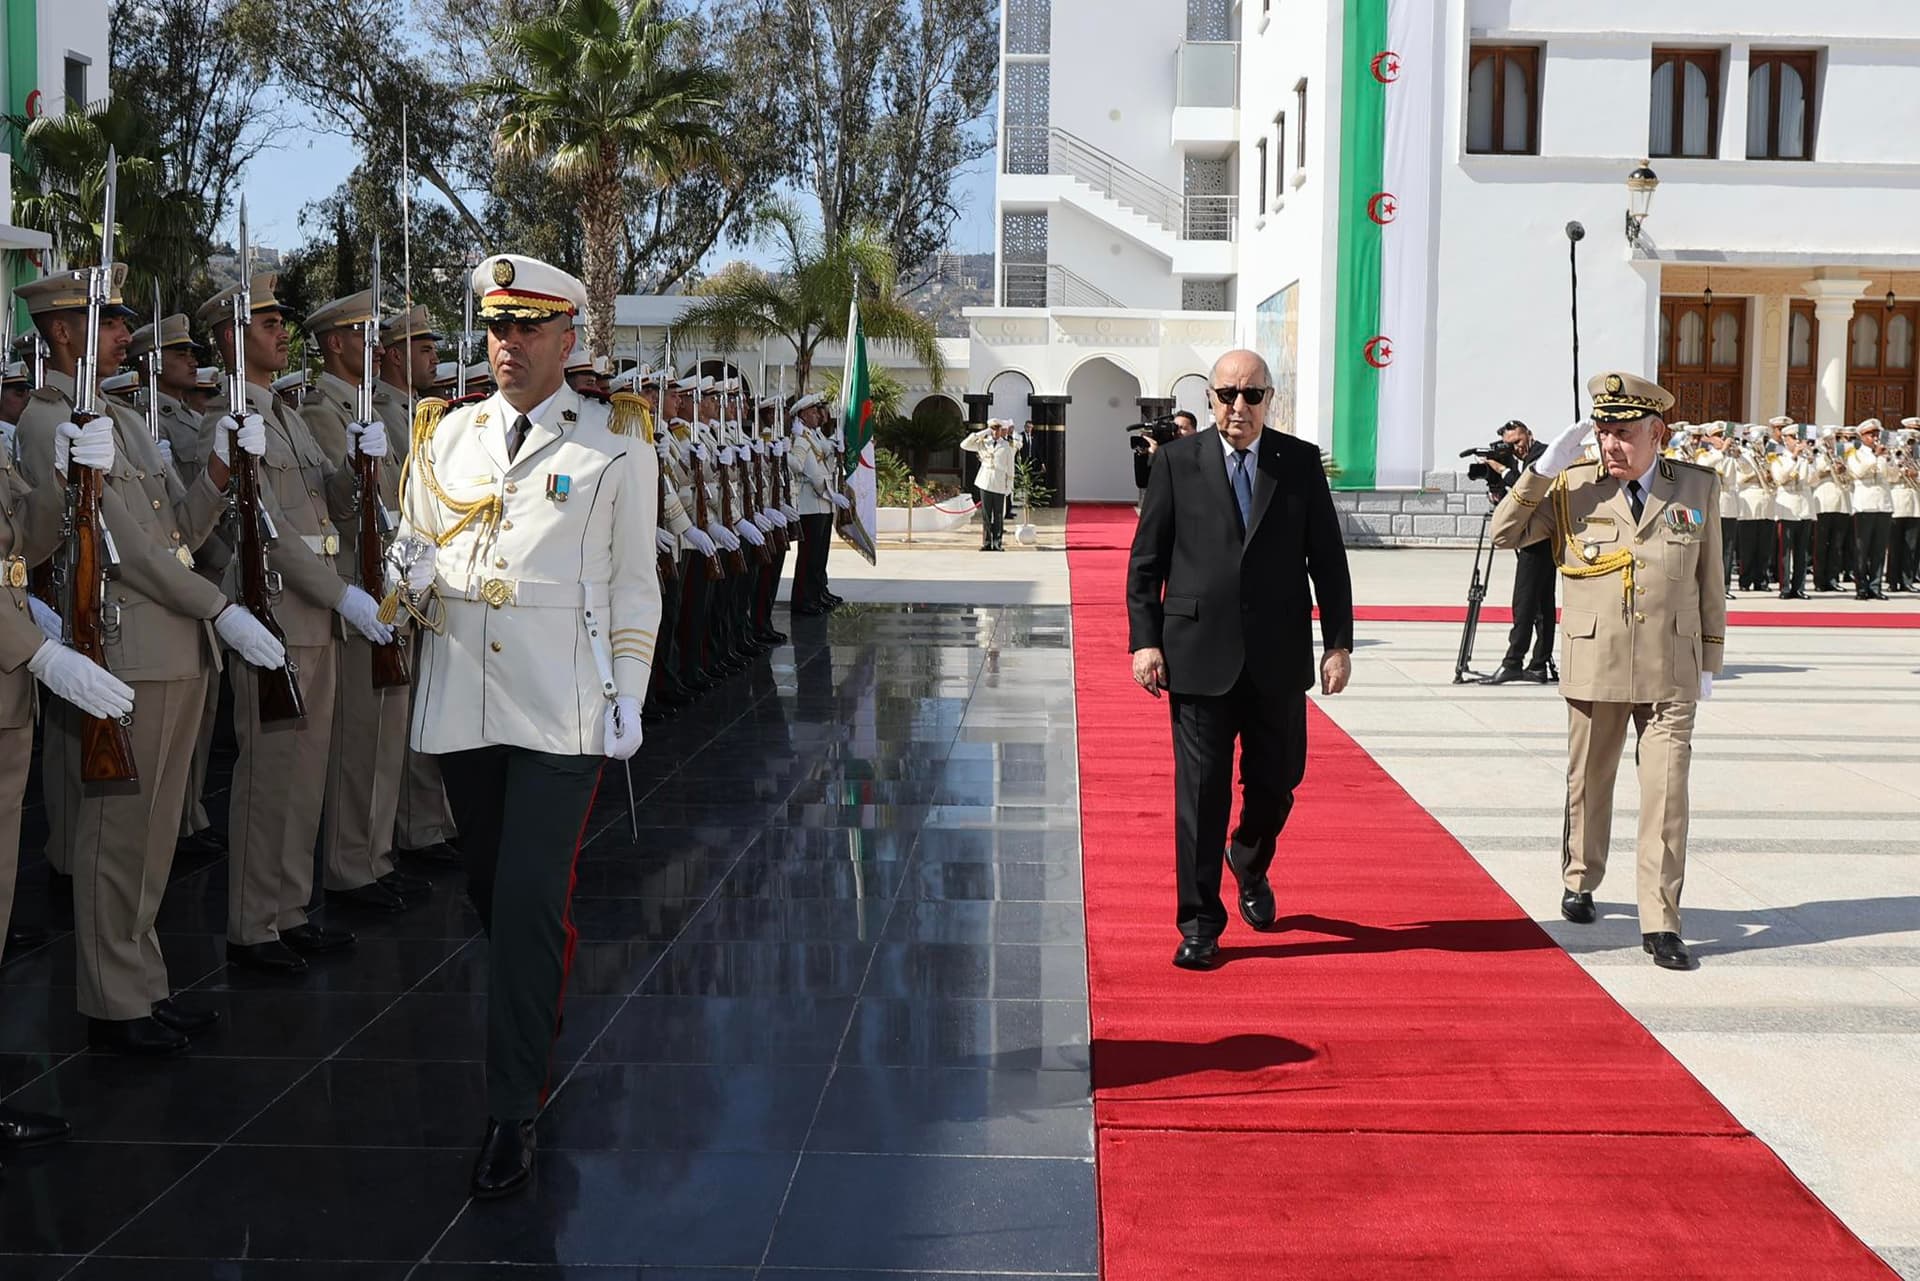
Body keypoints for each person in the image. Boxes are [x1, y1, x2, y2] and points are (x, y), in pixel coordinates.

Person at [389, 253, 661, 1198]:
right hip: (463, 699)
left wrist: (627, 691)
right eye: (498, 326)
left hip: (564, 708)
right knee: (494, 895)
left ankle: (512, 1109)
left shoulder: (616, 445)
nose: (508, 344)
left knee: (532, 895)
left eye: (529, 327)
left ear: (567, 337)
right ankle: (535, 986)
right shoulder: (446, 434)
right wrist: (405, 576)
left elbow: (635, 587)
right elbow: (412, 551)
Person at [15, 267, 290, 1052]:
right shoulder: (50, 420)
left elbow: (182, 527)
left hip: (175, 646)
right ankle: (112, 1003)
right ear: (62, 332)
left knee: (158, 834)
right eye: (106, 323)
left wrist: (221, 468)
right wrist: (221, 606)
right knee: (119, 835)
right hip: (126, 645)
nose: (122, 335)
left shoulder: (127, 420)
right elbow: (127, 551)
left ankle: (142, 981)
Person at [1125, 349, 1354, 971]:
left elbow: (1328, 561)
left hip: (1278, 656)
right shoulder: (1176, 462)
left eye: (1252, 395)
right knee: (1200, 797)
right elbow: (1147, 561)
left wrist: (1339, 642)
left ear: (1269, 399)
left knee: (1279, 783)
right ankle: (1200, 923)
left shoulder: (1299, 463)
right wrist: (1144, 640)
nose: (1238, 407)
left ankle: (1249, 860)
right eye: (1227, 395)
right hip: (1197, 655)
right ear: (1210, 399)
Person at [1491, 372, 1724, 971]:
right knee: (1589, 784)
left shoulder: (1696, 488)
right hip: (1597, 663)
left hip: (1671, 666)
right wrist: (1544, 467)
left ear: (1657, 433)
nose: (1610, 444)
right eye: (1602, 431)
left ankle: (1661, 920)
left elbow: (1710, 580)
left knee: (1667, 796)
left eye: (1623, 433)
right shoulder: (1574, 487)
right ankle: (1581, 875)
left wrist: (1710, 659)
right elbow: (1505, 534)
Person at [199, 272, 394, 975]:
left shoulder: (280, 412)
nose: (283, 331)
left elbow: (323, 507)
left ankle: (287, 908)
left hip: (314, 612)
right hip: (277, 607)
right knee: (269, 775)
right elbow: (269, 533)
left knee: (306, 773)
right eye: (267, 322)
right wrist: (342, 595)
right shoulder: (235, 416)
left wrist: (355, 468)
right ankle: (253, 925)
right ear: (230, 337)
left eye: (283, 321)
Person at [300, 292, 430, 915]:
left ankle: (376, 856)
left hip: (395, 577)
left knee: (387, 732)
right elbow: (343, 498)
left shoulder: (375, 406)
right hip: (357, 580)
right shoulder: (323, 410)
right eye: (361, 334)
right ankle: (352, 865)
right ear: (333, 343)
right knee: (360, 737)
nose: (373, 344)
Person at [1482, 419, 1555, 683]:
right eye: (1511, 444)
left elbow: (1529, 486)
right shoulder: (1518, 460)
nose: (1516, 448)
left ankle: (1514, 661)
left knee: (1524, 603)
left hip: (1538, 539)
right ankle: (1538, 664)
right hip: (1536, 536)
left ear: (1529, 435)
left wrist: (1502, 471)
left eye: (1518, 441)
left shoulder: (1544, 455)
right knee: (1543, 603)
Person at [788, 392, 848, 614]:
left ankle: (815, 594)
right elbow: (812, 472)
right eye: (813, 411)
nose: (818, 414)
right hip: (810, 503)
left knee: (818, 555)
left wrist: (836, 447)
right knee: (809, 557)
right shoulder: (801, 438)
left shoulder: (813, 435)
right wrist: (832, 494)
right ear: (802, 415)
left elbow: (825, 461)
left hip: (821, 502)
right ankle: (804, 599)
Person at [1850, 419, 1895, 600]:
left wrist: (1890, 460)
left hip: (1883, 505)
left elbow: (1893, 476)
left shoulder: (1885, 454)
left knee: (1878, 549)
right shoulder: (1856, 454)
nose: (1875, 438)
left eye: (1876, 434)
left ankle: (1875, 586)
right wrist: (1874, 456)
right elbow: (1858, 472)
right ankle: (1861, 587)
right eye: (1871, 435)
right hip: (1864, 505)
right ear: (1862, 436)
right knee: (1862, 549)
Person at [961, 418, 1021, 551]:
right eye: (992, 429)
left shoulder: (1007, 446)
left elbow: (1010, 467)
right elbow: (964, 445)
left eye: (997, 429)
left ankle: (997, 542)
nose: (995, 432)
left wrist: (1009, 486)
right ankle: (987, 542)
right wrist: (983, 432)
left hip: (999, 482)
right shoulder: (983, 443)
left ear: (1001, 430)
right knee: (986, 515)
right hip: (985, 482)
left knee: (998, 514)